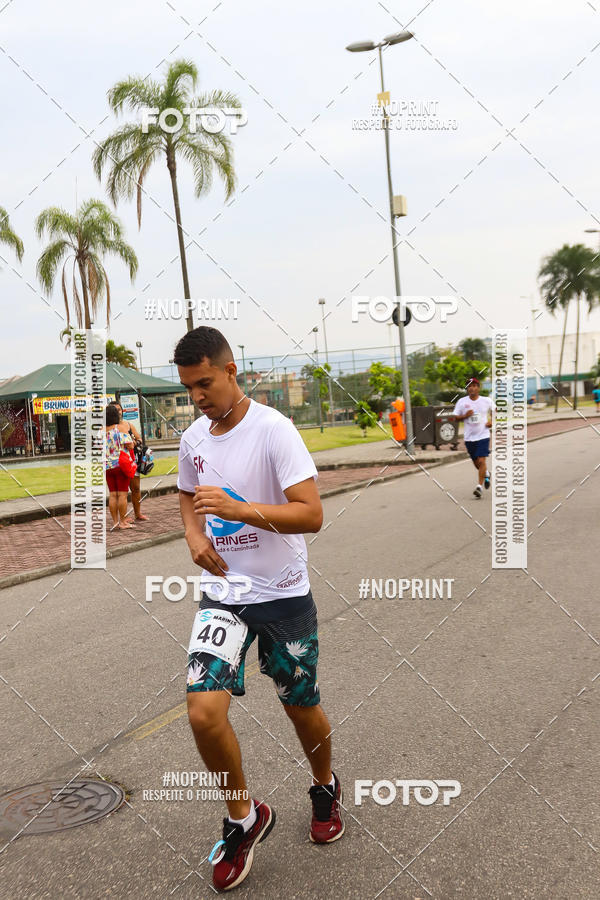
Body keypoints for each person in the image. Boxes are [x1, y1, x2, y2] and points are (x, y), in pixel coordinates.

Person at [175, 327, 343, 893]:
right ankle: (243, 818)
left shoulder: (274, 430)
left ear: (231, 371)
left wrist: (240, 510)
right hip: (223, 595)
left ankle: (324, 785)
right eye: (188, 387)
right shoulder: (193, 437)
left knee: (300, 707)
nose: (197, 396)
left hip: (283, 594)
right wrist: (194, 535)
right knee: (203, 712)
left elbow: (311, 514)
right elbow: (186, 492)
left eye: (204, 383)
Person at [453, 377, 494, 498]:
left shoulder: (486, 400)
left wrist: (492, 421)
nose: (472, 388)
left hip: (483, 435)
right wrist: (465, 416)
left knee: (481, 461)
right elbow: (455, 418)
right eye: (469, 386)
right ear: (467, 389)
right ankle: (486, 473)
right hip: (469, 438)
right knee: (477, 464)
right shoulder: (461, 402)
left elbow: (495, 410)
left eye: (474, 385)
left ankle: (479, 487)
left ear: (478, 388)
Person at [110, 401, 149, 522]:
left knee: (136, 488)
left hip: (132, 461)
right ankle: (124, 517)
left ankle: (138, 513)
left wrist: (135, 442)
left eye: (119, 409)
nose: (118, 412)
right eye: (115, 410)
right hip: (118, 463)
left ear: (122, 411)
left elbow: (139, 438)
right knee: (121, 492)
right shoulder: (109, 427)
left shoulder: (128, 425)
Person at [105, 404, 135, 530]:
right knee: (122, 494)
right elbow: (130, 445)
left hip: (107, 466)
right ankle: (123, 522)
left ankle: (115, 522)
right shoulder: (120, 428)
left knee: (112, 494)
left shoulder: (100, 431)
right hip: (120, 465)